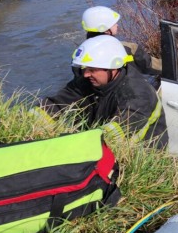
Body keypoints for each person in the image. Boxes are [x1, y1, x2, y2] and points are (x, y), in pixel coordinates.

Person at [31, 35, 168, 149]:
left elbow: (115, 133)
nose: (85, 74)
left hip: (142, 156)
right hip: (103, 145)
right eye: (84, 69)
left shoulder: (137, 94)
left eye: (92, 69)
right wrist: (30, 122)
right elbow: (58, 103)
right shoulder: (89, 81)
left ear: (113, 68)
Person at [81, 6, 161, 75]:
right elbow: (152, 66)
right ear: (105, 29)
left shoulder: (81, 52)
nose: (117, 25)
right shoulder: (128, 48)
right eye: (114, 23)